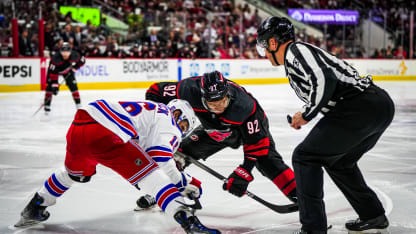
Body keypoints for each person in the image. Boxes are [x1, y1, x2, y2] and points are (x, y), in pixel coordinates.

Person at [256, 16, 395, 234]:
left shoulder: (296, 51)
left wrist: (307, 114)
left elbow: (324, 79)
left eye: (263, 47)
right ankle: (373, 215)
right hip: (374, 107)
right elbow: (322, 85)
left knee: (305, 156)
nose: (263, 54)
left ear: (273, 43)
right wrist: (305, 112)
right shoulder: (296, 58)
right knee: (339, 163)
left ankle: (313, 228)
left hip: (359, 107)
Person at [15, 99, 221, 234]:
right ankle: (189, 222)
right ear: (180, 117)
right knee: (152, 177)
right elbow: (161, 161)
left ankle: (35, 206)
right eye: (184, 126)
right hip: (107, 134)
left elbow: (145, 148)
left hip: (80, 123)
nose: (182, 131)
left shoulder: (154, 110)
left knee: (74, 174)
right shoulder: (170, 123)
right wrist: (186, 183)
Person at [138, 71, 297, 209]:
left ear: (228, 93)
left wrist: (244, 172)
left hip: (248, 132)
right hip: (214, 131)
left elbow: (258, 144)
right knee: (177, 155)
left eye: (223, 101)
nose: (219, 107)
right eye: (212, 104)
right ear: (202, 96)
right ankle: (161, 189)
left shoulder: (245, 106)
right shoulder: (189, 89)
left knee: (266, 160)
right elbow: (155, 91)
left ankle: (301, 197)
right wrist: (157, 122)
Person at [44, 42, 85, 114]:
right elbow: (53, 73)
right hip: (54, 71)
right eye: (63, 53)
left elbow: (82, 61)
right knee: (50, 88)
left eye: (67, 53)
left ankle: (79, 105)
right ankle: (47, 105)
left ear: (70, 52)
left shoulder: (75, 55)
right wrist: (55, 85)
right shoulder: (55, 59)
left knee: (73, 86)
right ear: (60, 52)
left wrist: (74, 68)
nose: (65, 55)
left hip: (67, 71)